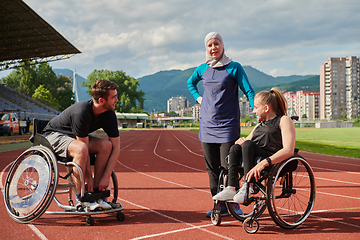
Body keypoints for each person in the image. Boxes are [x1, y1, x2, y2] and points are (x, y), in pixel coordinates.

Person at [187, 32, 255, 217]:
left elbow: (248, 90)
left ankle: (233, 204)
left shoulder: (234, 67)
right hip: (207, 125)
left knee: (229, 166)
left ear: (222, 45)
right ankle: (219, 204)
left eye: (216, 44)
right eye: (209, 45)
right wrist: (199, 98)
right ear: (206, 49)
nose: (213, 48)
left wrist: (256, 107)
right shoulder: (202, 69)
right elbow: (190, 83)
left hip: (228, 125)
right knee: (212, 169)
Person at [42, 79, 120, 211]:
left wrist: (106, 177)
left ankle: (96, 194)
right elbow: (83, 146)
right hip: (54, 135)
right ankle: (82, 197)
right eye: (113, 97)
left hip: (74, 138)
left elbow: (116, 147)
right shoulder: (82, 112)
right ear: (101, 101)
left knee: (106, 145)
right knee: (81, 148)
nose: (117, 100)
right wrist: (88, 177)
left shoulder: (109, 115)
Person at [212, 88, 296, 204]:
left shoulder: (283, 120)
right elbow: (247, 143)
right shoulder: (259, 125)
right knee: (236, 147)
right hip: (255, 157)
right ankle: (231, 188)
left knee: (247, 145)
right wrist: (241, 141)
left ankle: (248, 186)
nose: (253, 111)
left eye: (256, 108)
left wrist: (264, 162)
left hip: (270, 158)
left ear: (266, 108)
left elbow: (288, 150)